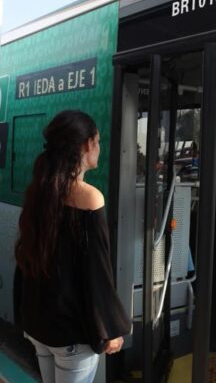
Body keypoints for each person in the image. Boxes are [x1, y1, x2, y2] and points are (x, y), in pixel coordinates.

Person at [15, 110, 131, 383]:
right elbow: (97, 273)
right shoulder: (90, 197)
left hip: (39, 323)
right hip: (71, 331)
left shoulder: (40, 190)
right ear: (87, 145)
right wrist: (110, 329)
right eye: (98, 142)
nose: (99, 148)